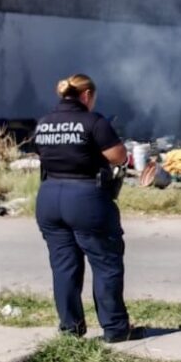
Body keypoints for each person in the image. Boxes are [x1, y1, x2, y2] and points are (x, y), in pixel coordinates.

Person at [33, 74, 136, 341]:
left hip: (49, 197)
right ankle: (114, 329)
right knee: (105, 263)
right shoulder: (94, 122)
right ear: (87, 95)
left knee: (64, 267)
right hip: (85, 198)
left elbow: (43, 153)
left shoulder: (44, 123)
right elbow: (119, 156)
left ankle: (70, 330)